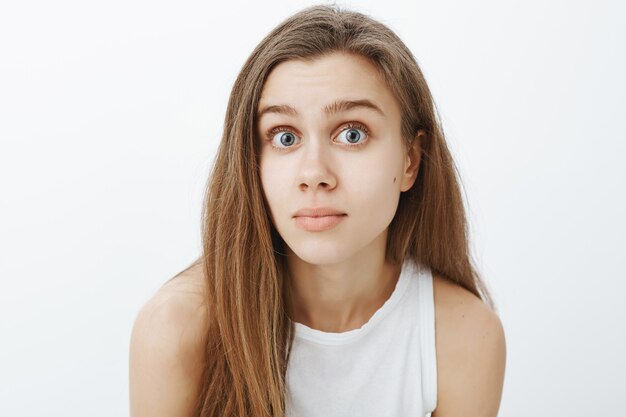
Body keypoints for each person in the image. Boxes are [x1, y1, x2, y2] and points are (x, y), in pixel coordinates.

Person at [129, 4, 506, 417]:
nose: (313, 174)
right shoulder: (176, 328)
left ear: (410, 161)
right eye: (285, 137)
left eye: (351, 133)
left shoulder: (463, 336)